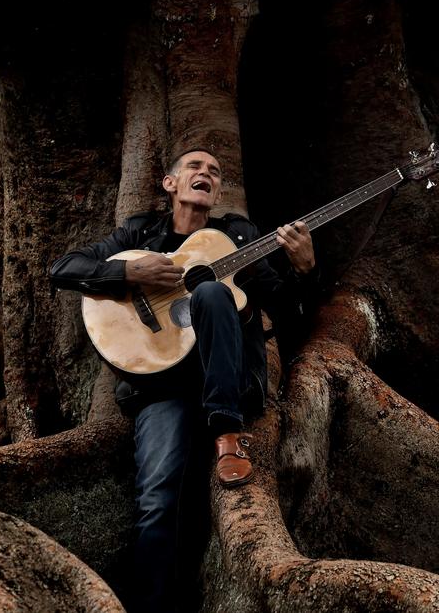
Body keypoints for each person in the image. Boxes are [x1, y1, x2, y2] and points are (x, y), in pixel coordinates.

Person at [49, 148, 317, 613]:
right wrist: (128, 269)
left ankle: (226, 436)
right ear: (170, 183)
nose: (207, 174)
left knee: (212, 290)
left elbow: (289, 313)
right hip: (160, 386)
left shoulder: (236, 236)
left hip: (228, 384)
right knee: (156, 501)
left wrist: (304, 271)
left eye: (214, 171)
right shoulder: (139, 232)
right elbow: (63, 269)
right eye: (195, 167)